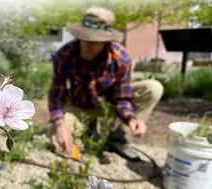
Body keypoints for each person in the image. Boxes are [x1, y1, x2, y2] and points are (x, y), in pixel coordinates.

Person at [47, 7, 164, 162]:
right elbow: (56, 96)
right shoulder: (65, 55)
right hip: (79, 106)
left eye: (95, 41)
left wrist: (131, 119)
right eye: (85, 38)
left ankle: (118, 138)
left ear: (106, 41)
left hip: (109, 105)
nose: (88, 45)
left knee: (153, 88)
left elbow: (121, 98)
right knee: (58, 141)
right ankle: (87, 131)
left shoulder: (120, 58)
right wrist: (59, 124)